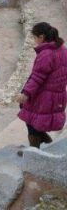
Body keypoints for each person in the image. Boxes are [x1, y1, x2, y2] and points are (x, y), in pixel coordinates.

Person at [16, 22, 67, 152]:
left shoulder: (46, 54)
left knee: (31, 119)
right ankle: (43, 143)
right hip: (57, 94)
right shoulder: (63, 50)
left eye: (35, 37)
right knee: (34, 120)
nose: (34, 41)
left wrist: (25, 93)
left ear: (42, 37)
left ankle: (35, 151)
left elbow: (38, 76)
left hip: (44, 94)